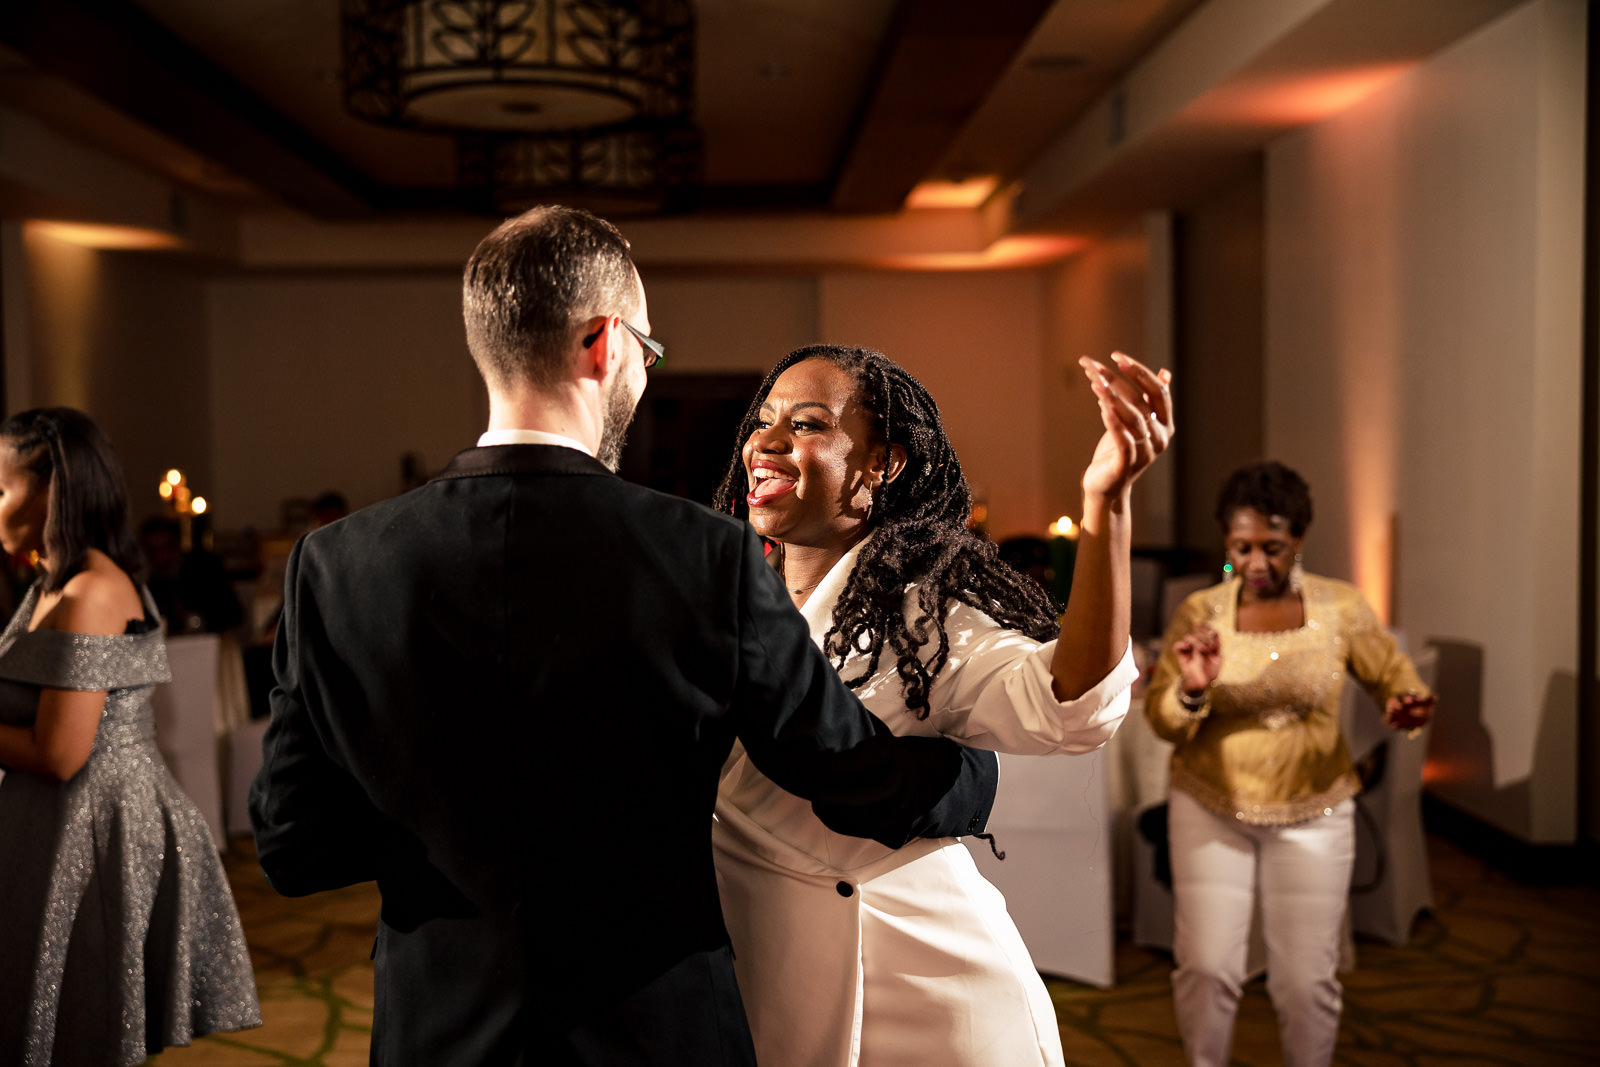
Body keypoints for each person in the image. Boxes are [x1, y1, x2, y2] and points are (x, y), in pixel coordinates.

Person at [248, 205, 1000, 1066]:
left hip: (436, 1032)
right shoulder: (705, 554)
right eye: (647, 350)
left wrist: (444, 830)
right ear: (606, 344)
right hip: (655, 1032)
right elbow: (844, 773)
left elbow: (293, 845)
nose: (643, 371)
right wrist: (973, 773)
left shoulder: (335, 566)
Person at [708, 343, 1175, 1066]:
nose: (765, 443)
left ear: (881, 464)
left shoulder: (922, 618)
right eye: (763, 420)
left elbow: (1068, 703)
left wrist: (1106, 503)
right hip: (756, 972)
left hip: (918, 985)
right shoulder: (720, 594)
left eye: (804, 424)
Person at [1145, 461, 1435, 1067]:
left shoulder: (1340, 606)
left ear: (1299, 537)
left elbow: (1390, 673)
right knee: (1206, 968)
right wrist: (1193, 691)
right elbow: (1164, 720)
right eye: (1241, 546)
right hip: (1210, 805)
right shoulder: (1201, 612)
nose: (1256, 563)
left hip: (1315, 810)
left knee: (1306, 980)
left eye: (1272, 548)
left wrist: (1403, 701)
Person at [0, 408, 260, 1066]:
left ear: (51, 492)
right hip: (54, 826)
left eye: (0, 488)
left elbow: (60, 754)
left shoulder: (94, 590)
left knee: (83, 1031)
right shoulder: (48, 585)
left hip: (93, 833)